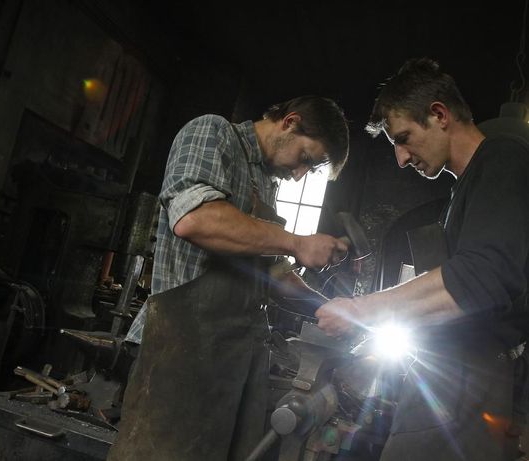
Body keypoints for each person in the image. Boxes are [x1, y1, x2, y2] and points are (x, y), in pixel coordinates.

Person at [107, 96, 350, 461]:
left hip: (233, 358)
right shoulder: (212, 133)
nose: (300, 174)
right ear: (290, 122)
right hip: (179, 351)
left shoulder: (266, 183)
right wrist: (297, 243)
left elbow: (269, 272)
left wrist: (327, 307)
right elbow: (195, 219)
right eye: (306, 159)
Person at [315, 57, 529, 460]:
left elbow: (481, 279)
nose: (401, 158)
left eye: (404, 138)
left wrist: (362, 310)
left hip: (469, 378)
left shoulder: (502, 160)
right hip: (457, 376)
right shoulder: (459, 193)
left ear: (439, 114)